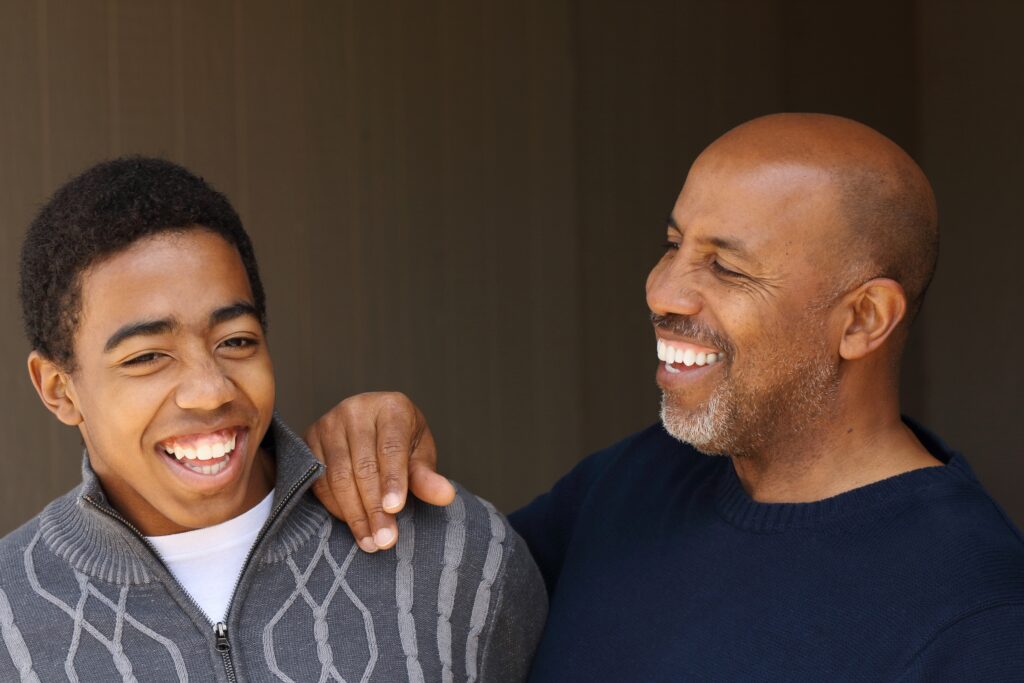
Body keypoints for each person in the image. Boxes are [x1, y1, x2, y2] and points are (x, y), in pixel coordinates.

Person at [306, 114, 1024, 680]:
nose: (662, 290)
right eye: (673, 243)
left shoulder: (978, 615)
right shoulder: (636, 480)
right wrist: (375, 447)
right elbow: (430, 615)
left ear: (863, 319)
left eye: (727, 267)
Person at [1, 157, 545, 682]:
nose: (210, 392)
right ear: (58, 388)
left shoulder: (452, 557)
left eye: (235, 341)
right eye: (146, 357)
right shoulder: (10, 620)